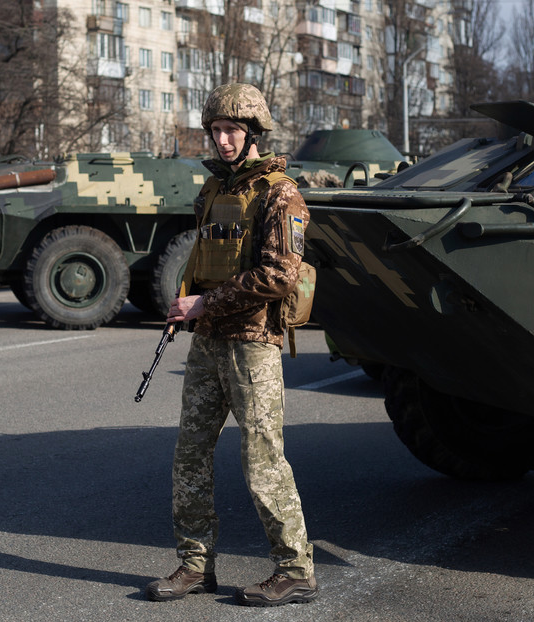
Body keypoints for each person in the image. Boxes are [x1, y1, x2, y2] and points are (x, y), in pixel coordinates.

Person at [146, 83, 317, 607]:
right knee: (190, 455)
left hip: (252, 345)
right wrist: (187, 305)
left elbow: (280, 274)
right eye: (216, 130)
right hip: (209, 341)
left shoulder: (280, 194)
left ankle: (295, 570)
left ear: (253, 133)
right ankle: (195, 565)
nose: (222, 140)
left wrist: (205, 303)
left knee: (263, 459)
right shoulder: (212, 191)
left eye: (232, 131)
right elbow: (202, 260)